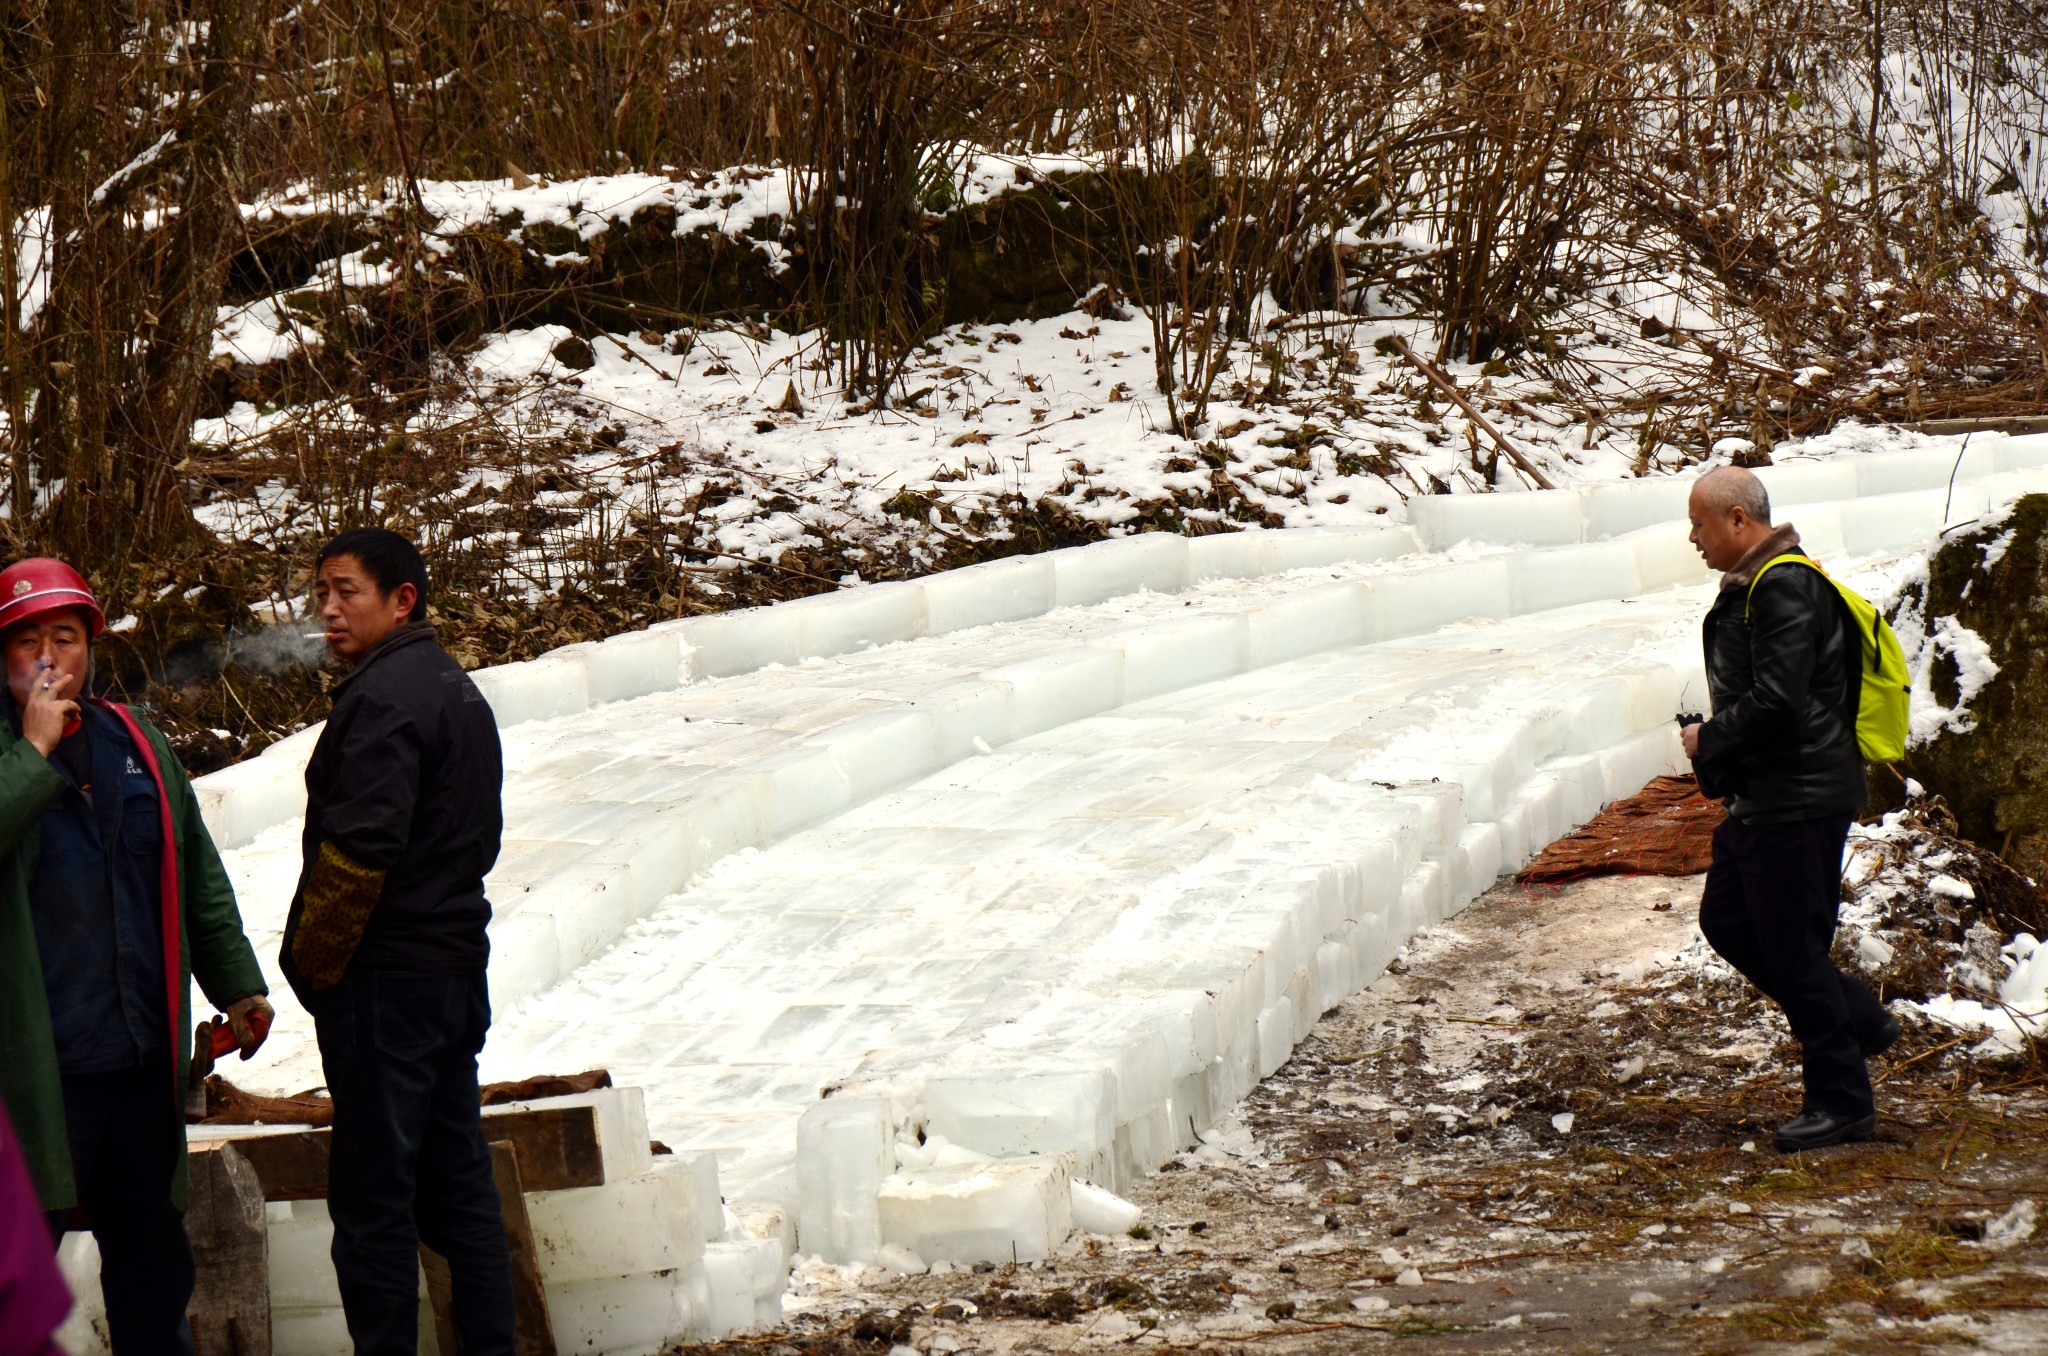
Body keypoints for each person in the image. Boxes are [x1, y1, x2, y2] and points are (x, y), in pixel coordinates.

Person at [0, 557, 273, 1352]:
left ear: (90, 645)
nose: (50, 659)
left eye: (66, 636)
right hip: (35, 1077)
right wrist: (32, 753)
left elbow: (196, 875)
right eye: (27, 644)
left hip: (140, 1065)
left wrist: (238, 987)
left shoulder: (137, 741)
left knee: (155, 1276)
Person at [279, 528, 514, 1354]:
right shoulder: (456, 689)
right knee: (459, 1186)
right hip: (454, 973)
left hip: (388, 983)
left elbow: (358, 855)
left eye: (347, 591)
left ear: (402, 599)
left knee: (375, 1201)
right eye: (322, 593)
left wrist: (310, 966)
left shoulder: (383, 700)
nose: (329, 610)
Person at [1682, 468, 1901, 1152]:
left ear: (1739, 520)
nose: (1693, 538)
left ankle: (1842, 1102)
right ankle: (1858, 1016)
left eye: (1700, 524)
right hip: (1767, 794)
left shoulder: (1785, 586)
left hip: (1800, 797)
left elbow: (1780, 698)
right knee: (1727, 920)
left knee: (1792, 951)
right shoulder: (1762, 584)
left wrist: (1707, 738)